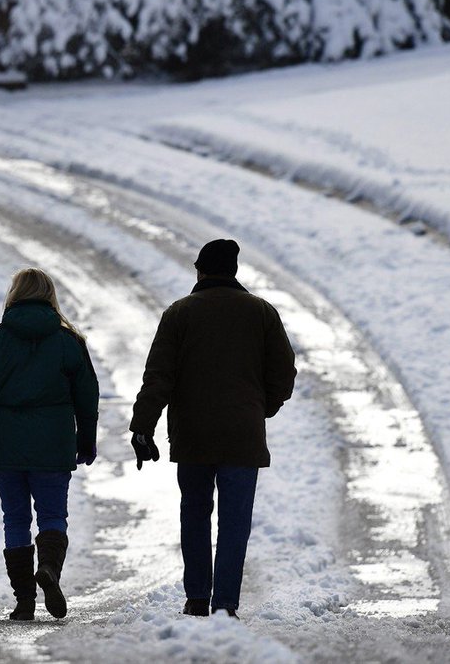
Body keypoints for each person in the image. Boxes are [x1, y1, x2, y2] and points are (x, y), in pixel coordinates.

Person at [129, 239, 296, 618]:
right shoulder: (262, 313)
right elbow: (283, 374)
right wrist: (260, 408)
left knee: (195, 512)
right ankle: (225, 604)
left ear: (201, 270)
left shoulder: (179, 314)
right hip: (243, 433)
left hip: (193, 435)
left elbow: (158, 377)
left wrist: (143, 426)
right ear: (234, 272)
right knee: (235, 522)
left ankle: (196, 598)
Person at [0, 268, 99, 622]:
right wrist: (86, 438)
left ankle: (25, 602)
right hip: (53, 444)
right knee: (52, 516)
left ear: (14, 295)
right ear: (50, 296)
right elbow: (87, 395)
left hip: (4, 445)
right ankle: (49, 569)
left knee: (14, 519)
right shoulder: (68, 342)